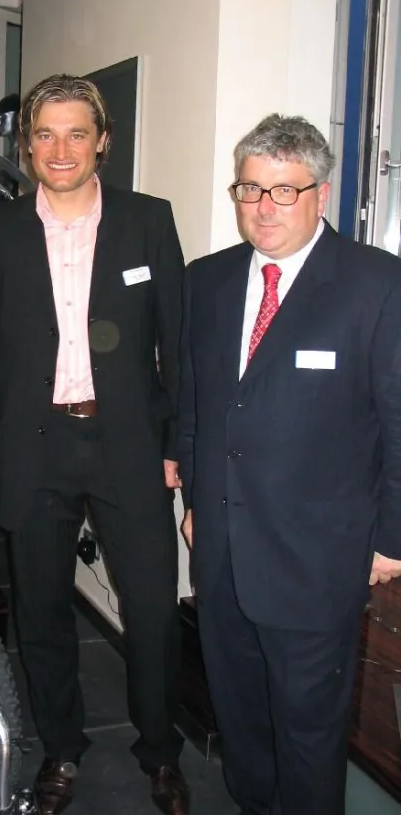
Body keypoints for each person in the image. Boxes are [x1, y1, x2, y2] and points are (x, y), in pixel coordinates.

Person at [0, 74, 188, 815]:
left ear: (102, 141)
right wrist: (11, 433)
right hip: (36, 446)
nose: (61, 150)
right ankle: (61, 747)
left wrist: (174, 441)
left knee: (152, 610)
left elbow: (176, 343)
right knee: (42, 612)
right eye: (45, 134)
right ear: (27, 145)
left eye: (77, 134)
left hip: (129, 445)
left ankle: (160, 751)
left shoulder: (148, 221)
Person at [176, 113, 401, 815]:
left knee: (307, 732)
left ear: (320, 194)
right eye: (249, 189)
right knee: (239, 717)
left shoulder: (377, 284)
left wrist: (392, 538)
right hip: (221, 550)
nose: (262, 207)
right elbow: (195, 401)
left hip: (317, 559)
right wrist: (193, 497)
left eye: (283, 190)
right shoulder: (207, 280)